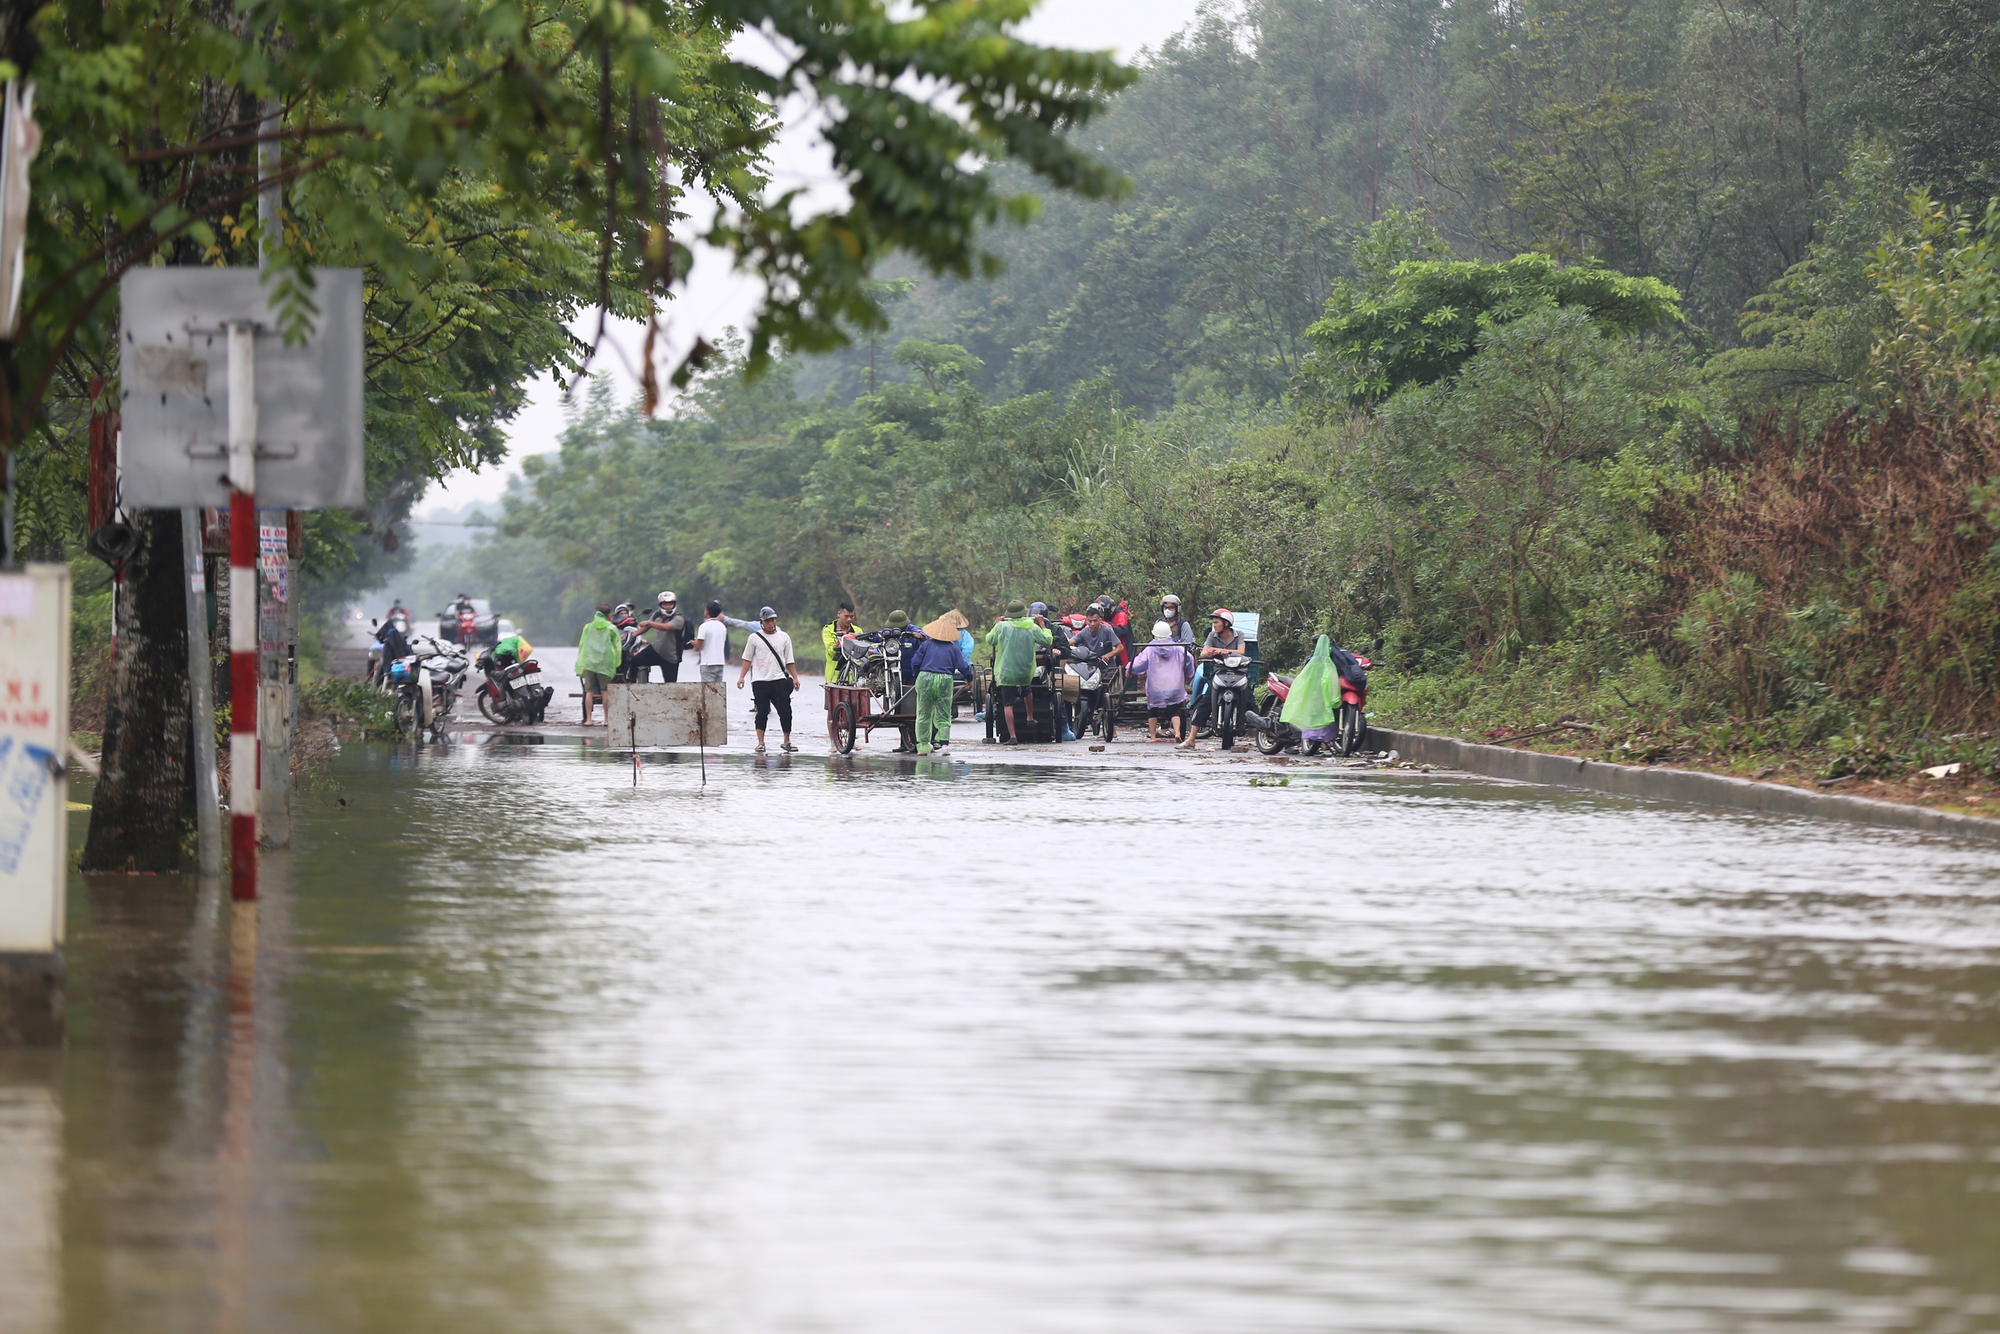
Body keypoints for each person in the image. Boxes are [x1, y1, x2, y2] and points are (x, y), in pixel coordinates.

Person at [734, 606, 801, 753]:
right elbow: (747, 658)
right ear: (761, 622)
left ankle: (787, 740)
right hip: (760, 681)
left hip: (779, 680)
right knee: (762, 712)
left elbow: (789, 660)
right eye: (767, 621)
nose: (771, 623)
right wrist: (742, 677)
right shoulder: (754, 638)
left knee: (785, 711)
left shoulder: (784, 637)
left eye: (773, 620)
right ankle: (761, 742)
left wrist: (795, 677)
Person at [986, 599, 1051, 744]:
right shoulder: (1031, 627)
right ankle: (1029, 716)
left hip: (1007, 671)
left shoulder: (1002, 627)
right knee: (1027, 689)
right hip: (1025, 670)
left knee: (1008, 704)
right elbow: (1047, 640)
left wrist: (996, 624)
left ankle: (1013, 736)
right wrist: (1042, 625)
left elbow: (990, 640)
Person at [907, 611, 973, 755]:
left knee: (923, 713)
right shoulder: (953, 648)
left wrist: (918, 675)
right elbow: (963, 666)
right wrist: (969, 679)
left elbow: (915, 662)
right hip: (945, 679)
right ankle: (944, 746)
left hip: (926, 678)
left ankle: (923, 746)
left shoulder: (926, 645)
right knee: (943, 713)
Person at [1185, 607, 1248, 747]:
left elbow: (1241, 651)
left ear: (1226, 623)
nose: (1214, 625)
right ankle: (1191, 738)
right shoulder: (1212, 636)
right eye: (1214, 622)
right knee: (1205, 702)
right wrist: (1212, 652)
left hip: (1238, 672)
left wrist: (1221, 650)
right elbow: (1203, 653)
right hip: (1219, 672)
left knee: (1249, 699)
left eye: (1216, 622)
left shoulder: (1239, 634)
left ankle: (1266, 733)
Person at [1128, 620, 1196, 743]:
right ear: (1169, 634)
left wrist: (1129, 668)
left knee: (1152, 710)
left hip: (1156, 688)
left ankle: (1153, 737)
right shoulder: (1178, 648)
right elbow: (1189, 659)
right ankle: (1178, 732)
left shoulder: (1150, 649)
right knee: (1174, 709)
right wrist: (1188, 673)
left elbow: (1138, 663)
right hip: (1174, 687)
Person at [576, 602, 622, 723]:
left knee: (589, 691)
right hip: (605, 663)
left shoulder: (588, 627)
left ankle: (589, 720)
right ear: (608, 615)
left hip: (589, 662)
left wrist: (582, 661)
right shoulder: (611, 628)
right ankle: (606, 719)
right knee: (605, 691)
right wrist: (617, 663)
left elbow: (582, 644)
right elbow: (617, 646)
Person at [637, 591, 686, 682]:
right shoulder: (656, 615)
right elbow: (646, 627)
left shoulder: (679, 619)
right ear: (660, 605)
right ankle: (631, 685)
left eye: (670, 604)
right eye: (665, 604)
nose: (668, 606)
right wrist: (633, 635)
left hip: (671, 657)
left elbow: (666, 627)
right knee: (634, 661)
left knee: (670, 684)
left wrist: (649, 623)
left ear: (674, 604)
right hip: (656, 650)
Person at [693, 600, 731, 683]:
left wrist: (693, 642)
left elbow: (698, 646)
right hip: (720, 662)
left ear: (707, 612)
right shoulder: (722, 627)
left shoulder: (704, 626)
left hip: (708, 663)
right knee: (717, 690)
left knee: (708, 691)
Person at [820, 601, 859, 681]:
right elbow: (831, 651)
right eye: (846, 616)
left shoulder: (858, 631)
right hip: (833, 678)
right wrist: (842, 640)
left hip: (853, 679)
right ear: (839, 614)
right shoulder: (829, 630)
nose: (849, 619)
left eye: (852, 617)